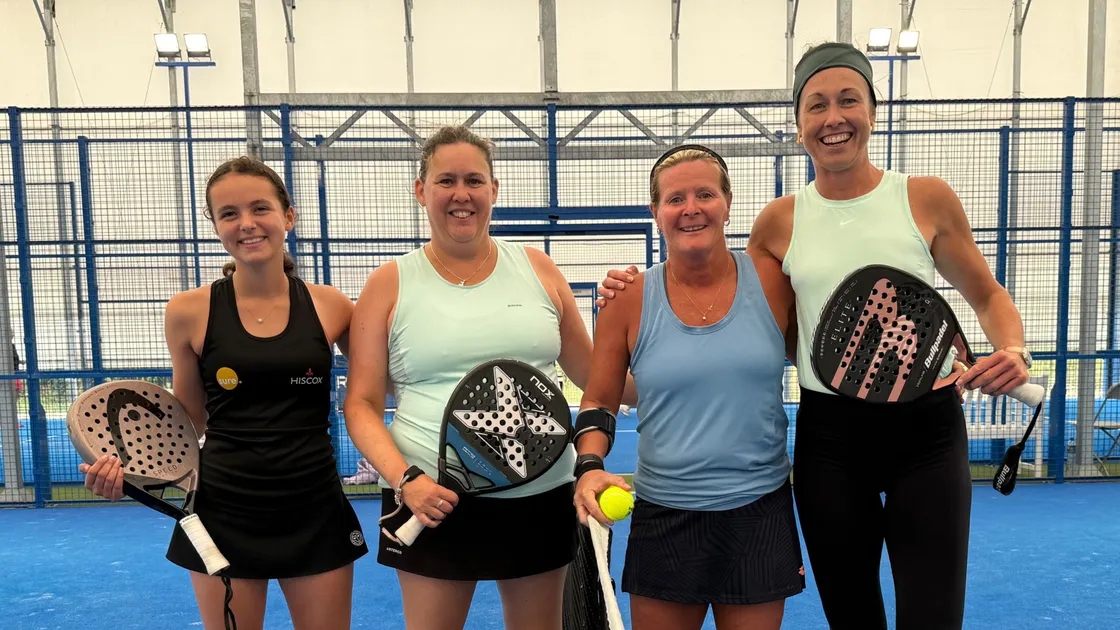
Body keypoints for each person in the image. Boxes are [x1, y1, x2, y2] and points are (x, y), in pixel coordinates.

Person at [596, 42, 1033, 630]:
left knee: (933, 617)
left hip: (926, 432)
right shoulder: (778, 222)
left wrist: (1013, 349)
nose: (833, 118)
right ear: (799, 125)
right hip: (833, 442)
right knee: (852, 618)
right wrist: (628, 290)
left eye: (848, 100)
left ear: (872, 112)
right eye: (816, 105)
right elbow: (731, 315)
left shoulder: (925, 198)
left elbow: (988, 296)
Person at [342, 124, 636, 630]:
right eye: (446, 181)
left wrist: (647, 319)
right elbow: (361, 404)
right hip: (430, 498)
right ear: (421, 191)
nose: (462, 194)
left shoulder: (538, 268)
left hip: (542, 495)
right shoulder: (389, 283)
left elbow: (600, 378)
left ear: (494, 190)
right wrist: (405, 480)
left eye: (475, 180)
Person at [79, 156, 366, 630]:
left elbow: (377, 392)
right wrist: (126, 472)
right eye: (229, 213)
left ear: (288, 216)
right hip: (223, 512)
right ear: (215, 225)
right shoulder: (187, 311)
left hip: (315, 509)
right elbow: (187, 422)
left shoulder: (331, 305)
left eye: (260, 209)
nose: (246, 224)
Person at [575, 144, 803, 630]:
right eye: (676, 198)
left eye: (705, 194)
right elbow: (598, 400)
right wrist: (590, 467)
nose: (691, 208)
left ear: (728, 202)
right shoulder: (626, 301)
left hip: (760, 511)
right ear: (656, 212)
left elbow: (826, 358)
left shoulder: (774, 280)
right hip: (665, 517)